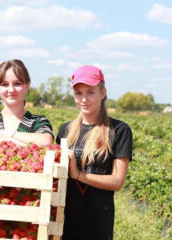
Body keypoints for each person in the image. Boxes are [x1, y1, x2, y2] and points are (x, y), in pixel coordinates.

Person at [56, 65, 132, 240]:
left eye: (91, 92)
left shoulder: (118, 130)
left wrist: (78, 175)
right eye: (79, 93)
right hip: (65, 221)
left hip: (98, 223)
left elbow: (117, 181)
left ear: (103, 92)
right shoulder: (65, 130)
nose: (84, 99)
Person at [0, 59, 53, 146]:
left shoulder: (37, 121)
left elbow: (46, 140)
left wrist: (9, 133)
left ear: (27, 86)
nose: (11, 90)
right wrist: (6, 139)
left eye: (17, 83)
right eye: (5, 84)